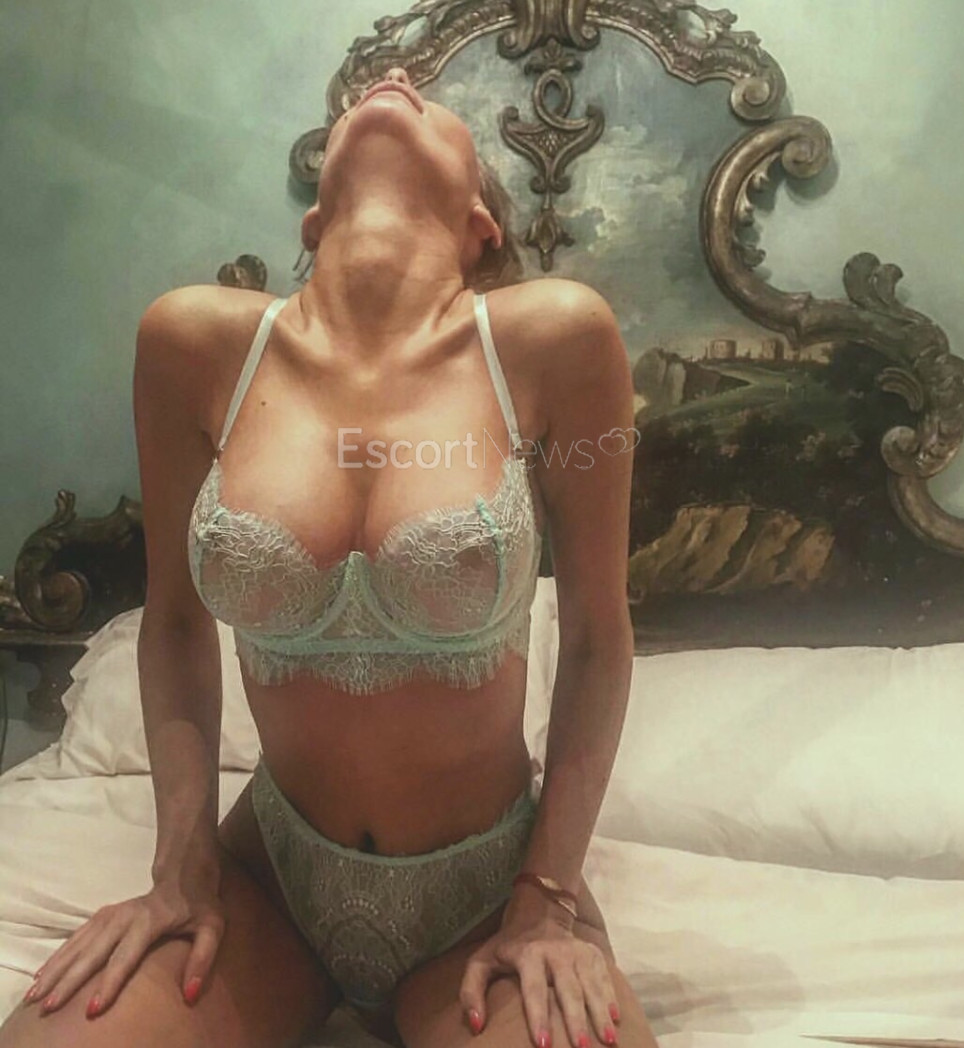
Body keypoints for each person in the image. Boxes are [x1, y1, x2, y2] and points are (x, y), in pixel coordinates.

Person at [0, 67, 655, 1048]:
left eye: (430, 99)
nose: (396, 79)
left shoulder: (554, 337)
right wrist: (179, 867)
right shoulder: (193, 343)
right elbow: (173, 621)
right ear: (313, 218)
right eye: (370, 93)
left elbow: (600, 640)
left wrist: (549, 896)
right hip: (268, 885)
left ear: (481, 223)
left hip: (489, 900)